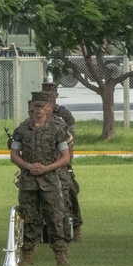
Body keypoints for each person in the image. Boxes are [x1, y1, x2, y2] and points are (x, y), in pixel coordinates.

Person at [10, 91, 72, 266]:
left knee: (55, 217)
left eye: (42, 106)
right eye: (35, 106)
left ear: (49, 108)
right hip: (29, 182)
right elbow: (14, 155)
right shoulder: (22, 130)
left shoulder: (57, 130)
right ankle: (28, 255)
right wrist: (28, 166)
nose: (38, 110)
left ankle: (61, 254)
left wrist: (47, 168)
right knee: (29, 217)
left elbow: (65, 157)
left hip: (50, 181)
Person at [42, 83, 82, 242]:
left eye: (51, 95)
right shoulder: (38, 114)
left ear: (56, 96)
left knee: (70, 193)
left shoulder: (64, 115)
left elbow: (69, 139)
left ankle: (76, 225)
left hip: (62, 162)